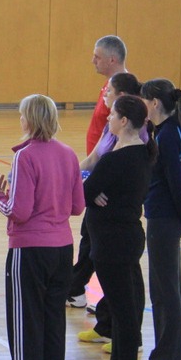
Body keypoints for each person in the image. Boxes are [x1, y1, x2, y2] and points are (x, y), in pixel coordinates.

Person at [0, 94, 84, 360]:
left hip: (29, 251)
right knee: (54, 326)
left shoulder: (25, 157)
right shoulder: (68, 154)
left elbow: (20, 211)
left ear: (28, 119)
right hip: (62, 250)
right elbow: (77, 206)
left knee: (25, 329)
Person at [77, 95, 156, 360]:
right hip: (124, 240)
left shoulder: (116, 159)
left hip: (114, 243)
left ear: (124, 121)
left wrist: (91, 191)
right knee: (125, 309)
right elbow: (92, 189)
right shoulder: (142, 153)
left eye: (112, 115)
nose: (108, 118)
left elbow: (83, 190)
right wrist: (93, 190)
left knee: (124, 314)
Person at [75, 72, 145, 350]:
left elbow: (124, 178)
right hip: (102, 219)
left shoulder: (136, 143)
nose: (104, 97)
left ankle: (128, 341)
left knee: (126, 284)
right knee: (109, 277)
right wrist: (74, 177)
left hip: (119, 223)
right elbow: (93, 160)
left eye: (108, 93)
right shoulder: (110, 132)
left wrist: (91, 188)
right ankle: (106, 326)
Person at [138, 78, 181, 360]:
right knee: (168, 289)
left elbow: (177, 183)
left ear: (154, 103)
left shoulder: (169, 135)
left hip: (165, 220)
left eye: (144, 101)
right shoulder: (166, 131)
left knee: (165, 293)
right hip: (164, 217)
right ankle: (173, 357)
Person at [68, 35, 129, 309]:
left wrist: (101, 181)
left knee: (95, 236)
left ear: (112, 59)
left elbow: (119, 142)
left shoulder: (123, 91)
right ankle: (76, 287)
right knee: (90, 233)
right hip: (96, 170)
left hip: (105, 175)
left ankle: (80, 289)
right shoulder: (109, 86)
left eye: (97, 56)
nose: (93, 60)